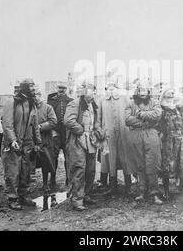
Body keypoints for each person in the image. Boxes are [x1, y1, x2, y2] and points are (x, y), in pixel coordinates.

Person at [1, 78, 42, 210]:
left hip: (27, 143)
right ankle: (12, 198)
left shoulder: (32, 104)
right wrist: (13, 140)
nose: (33, 88)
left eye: (33, 86)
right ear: (24, 87)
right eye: (30, 86)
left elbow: (35, 125)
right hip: (13, 143)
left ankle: (23, 195)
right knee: (13, 171)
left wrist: (38, 142)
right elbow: (7, 124)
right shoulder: (11, 102)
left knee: (25, 171)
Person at [64, 82, 104, 211]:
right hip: (77, 141)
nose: (93, 94)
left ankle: (86, 194)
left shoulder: (93, 105)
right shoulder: (75, 103)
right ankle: (77, 199)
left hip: (91, 141)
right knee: (79, 169)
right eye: (91, 91)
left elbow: (95, 122)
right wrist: (80, 130)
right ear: (84, 92)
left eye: (94, 91)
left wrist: (98, 131)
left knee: (90, 170)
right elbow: (68, 120)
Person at [125, 79, 163, 205]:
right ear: (137, 91)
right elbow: (127, 119)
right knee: (139, 163)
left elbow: (157, 115)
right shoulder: (131, 103)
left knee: (152, 163)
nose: (142, 93)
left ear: (148, 91)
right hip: (136, 135)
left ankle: (154, 193)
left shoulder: (154, 102)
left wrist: (140, 114)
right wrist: (146, 119)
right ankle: (141, 191)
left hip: (151, 134)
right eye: (140, 90)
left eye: (144, 90)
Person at [98, 81, 137, 197]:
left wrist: (130, 128)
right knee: (111, 159)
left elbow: (131, 114)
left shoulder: (124, 98)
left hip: (124, 133)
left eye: (113, 87)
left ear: (117, 88)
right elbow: (99, 118)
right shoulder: (102, 100)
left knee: (126, 158)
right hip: (108, 134)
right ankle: (113, 187)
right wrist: (100, 131)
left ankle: (128, 186)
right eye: (108, 88)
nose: (111, 90)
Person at [158, 87, 183, 199]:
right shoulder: (161, 108)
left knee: (182, 162)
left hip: (180, 138)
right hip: (167, 140)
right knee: (167, 163)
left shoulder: (180, 108)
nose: (171, 96)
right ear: (164, 95)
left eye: (172, 94)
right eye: (168, 94)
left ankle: (182, 187)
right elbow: (159, 125)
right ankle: (166, 190)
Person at [47, 82, 73, 190]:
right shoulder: (51, 100)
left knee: (68, 156)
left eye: (63, 88)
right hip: (56, 132)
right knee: (54, 156)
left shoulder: (70, 101)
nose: (61, 90)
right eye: (60, 88)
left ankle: (68, 178)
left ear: (66, 89)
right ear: (57, 88)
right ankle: (52, 179)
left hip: (66, 132)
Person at [34, 87, 57, 195]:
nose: (35, 98)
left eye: (37, 95)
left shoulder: (48, 107)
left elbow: (53, 121)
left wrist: (40, 126)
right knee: (30, 161)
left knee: (46, 162)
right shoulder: (30, 107)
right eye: (33, 96)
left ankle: (46, 183)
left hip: (45, 139)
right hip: (32, 139)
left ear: (41, 96)